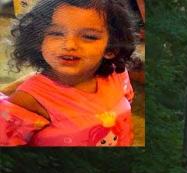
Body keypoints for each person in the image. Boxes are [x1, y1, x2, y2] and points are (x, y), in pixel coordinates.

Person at [0, 0, 137, 146]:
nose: (69, 45)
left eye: (89, 36)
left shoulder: (117, 74)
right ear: (38, 41)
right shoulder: (29, 99)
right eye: (56, 33)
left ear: (111, 49)